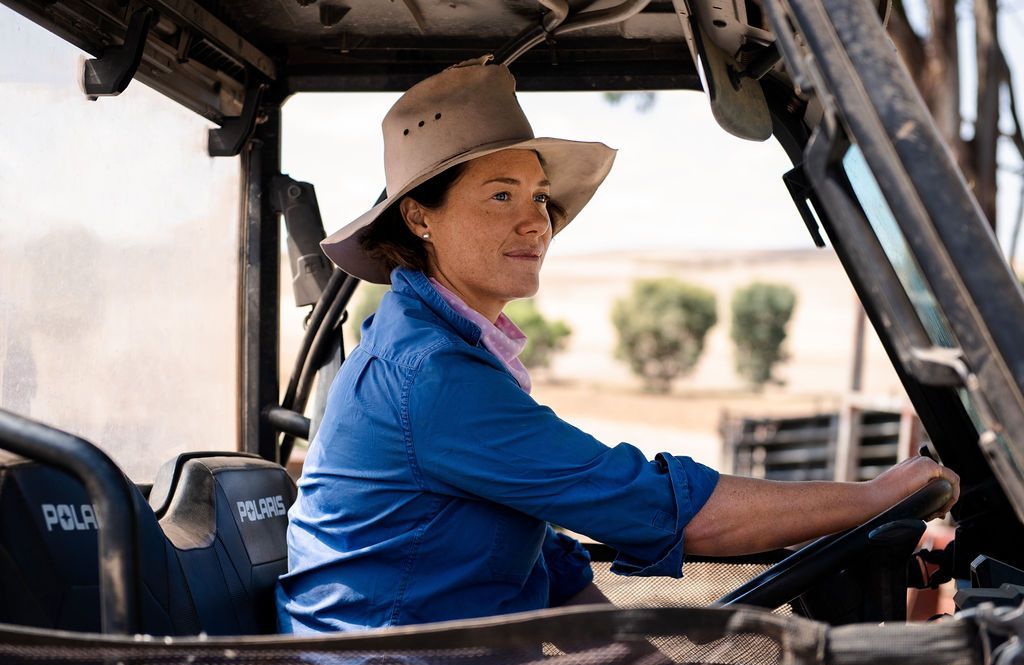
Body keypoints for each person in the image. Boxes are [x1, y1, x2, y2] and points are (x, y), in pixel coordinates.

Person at [276, 55, 960, 635]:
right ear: (421, 216)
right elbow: (659, 508)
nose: (534, 222)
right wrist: (870, 498)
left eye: (540, 198)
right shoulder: (432, 375)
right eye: (500, 196)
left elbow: (548, 556)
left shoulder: (454, 352)